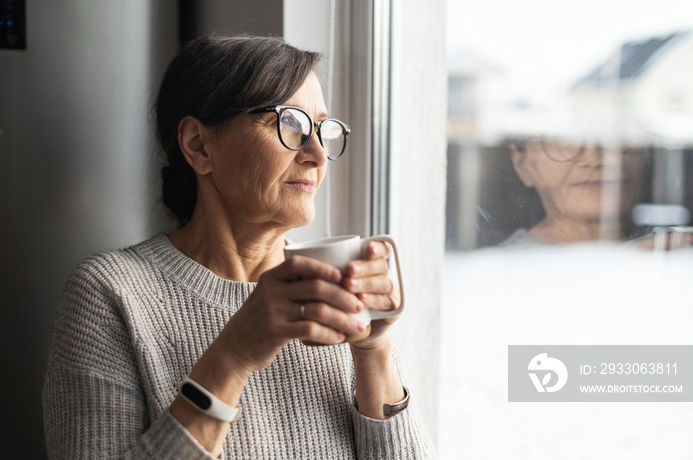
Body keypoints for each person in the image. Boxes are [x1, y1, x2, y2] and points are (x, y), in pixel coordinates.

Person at [43, 35, 435, 459]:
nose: (318, 155)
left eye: (322, 129)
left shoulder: (332, 291)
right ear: (198, 144)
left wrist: (373, 350)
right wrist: (233, 355)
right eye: (290, 124)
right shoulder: (112, 294)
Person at [502, 135, 646, 245]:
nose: (594, 160)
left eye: (617, 135)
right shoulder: (500, 274)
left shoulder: (661, 257)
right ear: (521, 165)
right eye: (565, 140)